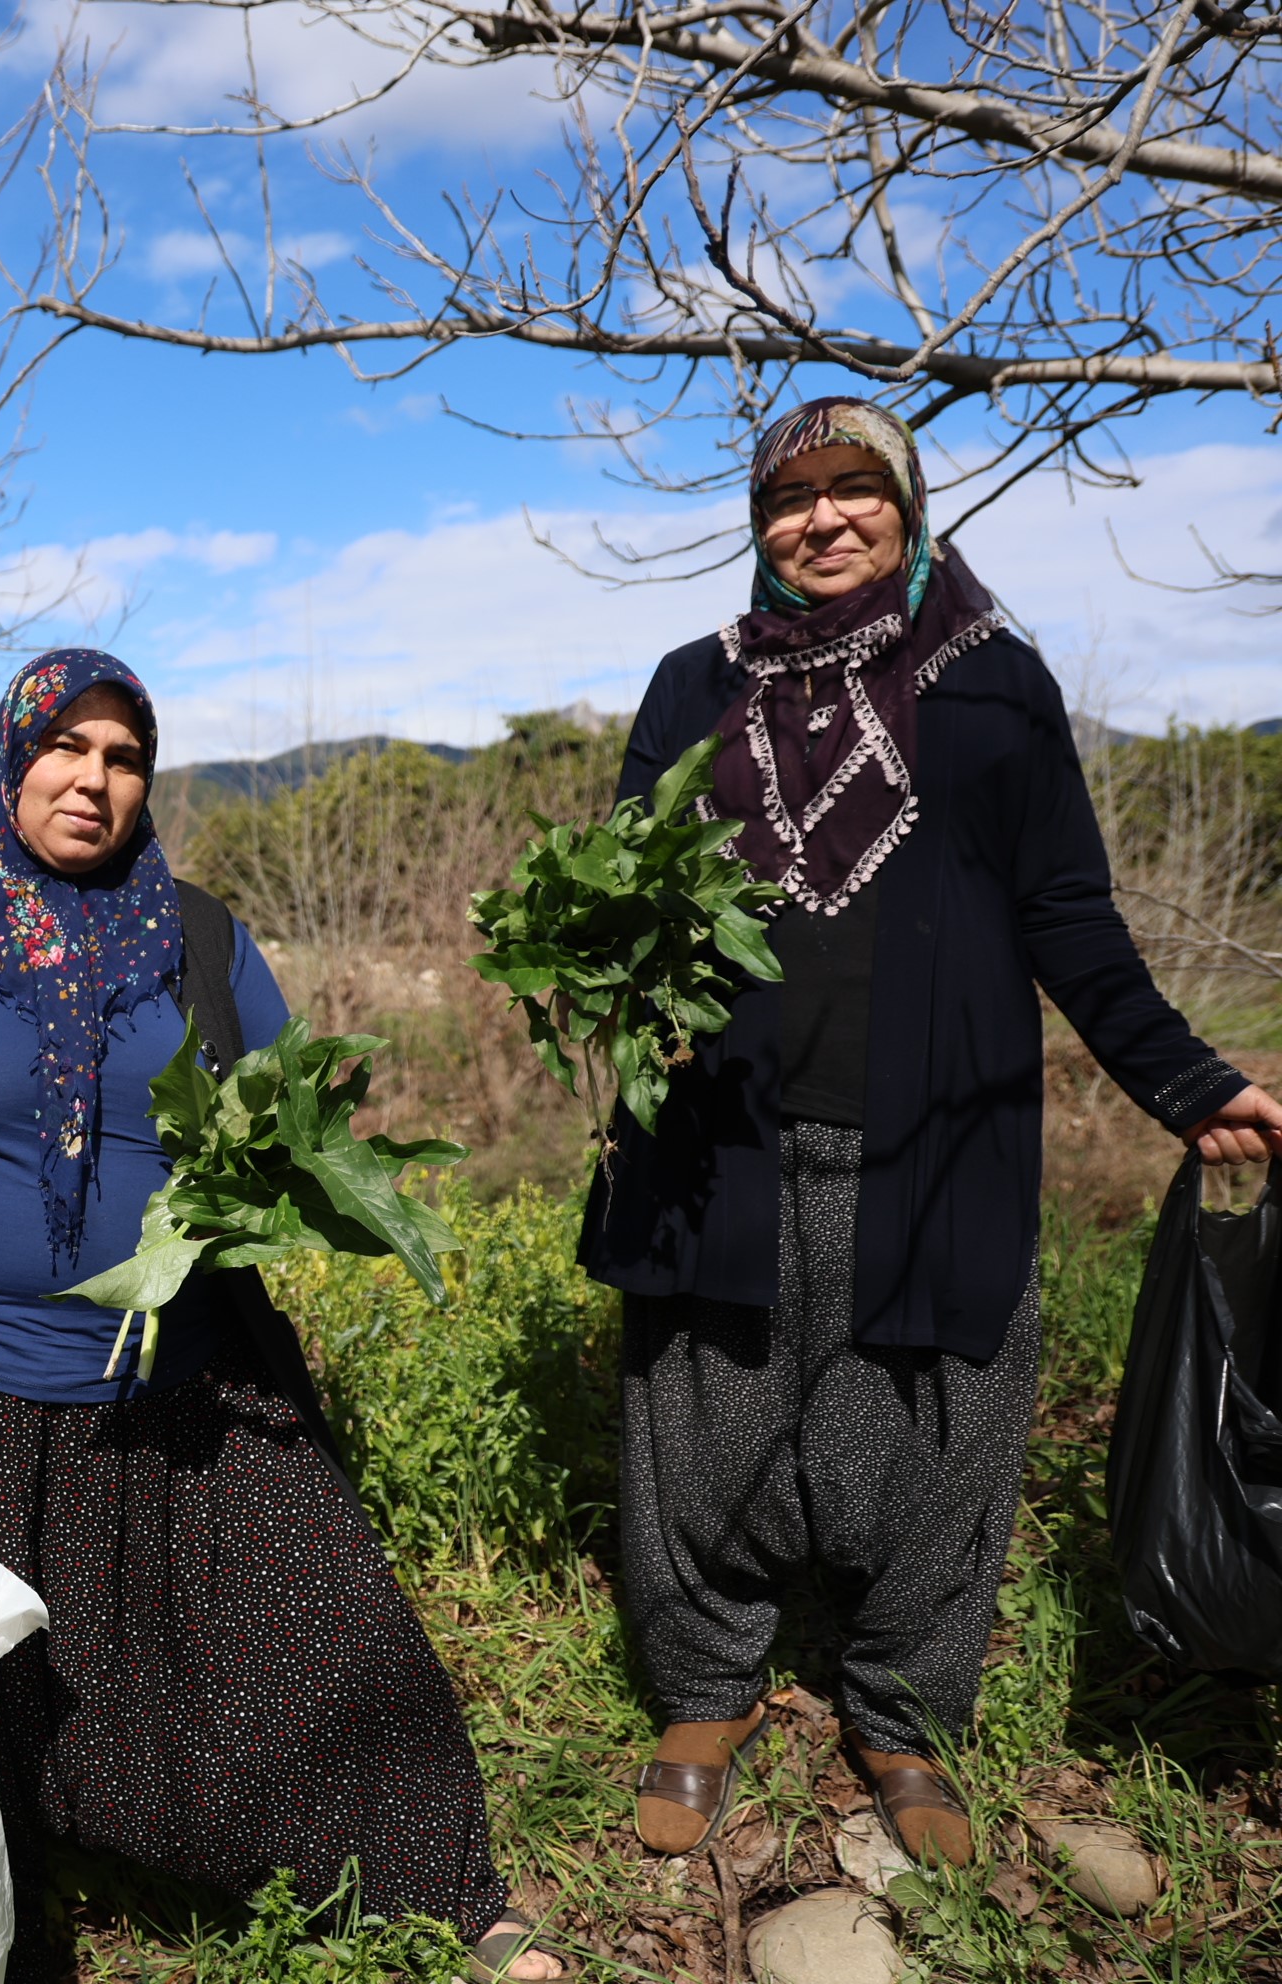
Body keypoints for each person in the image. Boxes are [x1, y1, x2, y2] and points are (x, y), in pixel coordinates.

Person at [0, 650, 564, 1984]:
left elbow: (295, 1111)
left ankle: (450, 1891)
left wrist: (318, 1150)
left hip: (184, 1380)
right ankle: (11, 1895)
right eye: (65, 748)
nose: (92, 780)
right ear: (9, 754)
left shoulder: (195, 936)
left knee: (339, 1637)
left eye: (122, 757)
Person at [587, 398, 1282, 1869]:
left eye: (857, 490)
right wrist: (607, 981)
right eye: (791, 496)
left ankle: (900, 1707)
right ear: (757, 521)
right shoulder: (693, 685)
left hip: (938, 1129)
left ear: (909, 506)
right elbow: (619, 892)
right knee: (704, 1417)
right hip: (725, 1133)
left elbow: (1067, 913)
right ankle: (706, 1689)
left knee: (935, 1425)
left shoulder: (993, 685)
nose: (823, 519)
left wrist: (1184, 1079)